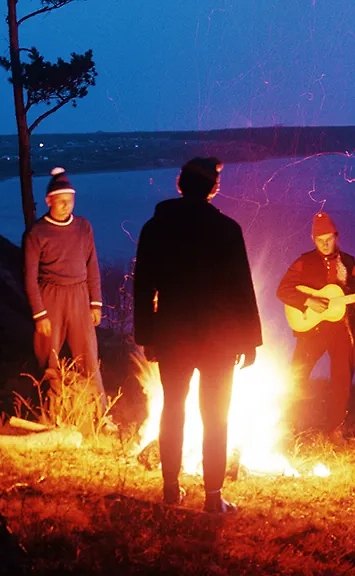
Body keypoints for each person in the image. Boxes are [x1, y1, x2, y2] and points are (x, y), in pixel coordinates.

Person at [133, 157, 263, 512]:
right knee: (215, 416)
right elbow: (241, 287)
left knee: (173, 409)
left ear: (180, 184)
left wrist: (147, 334)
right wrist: (250, 339)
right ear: (213, 188)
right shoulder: (226, 229)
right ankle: (212, 498)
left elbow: (143, 285)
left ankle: (171, 490)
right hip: (218, 336)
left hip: (173, 332)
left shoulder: (155, 227)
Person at [22, 167, 114, 432]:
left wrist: (95, 301)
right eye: (60, 200)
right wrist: (39, 314)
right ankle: (47, 412)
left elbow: (92, 264)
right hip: (50, 295)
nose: (66, 205)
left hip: (79, 294)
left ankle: (102, 415)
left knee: (88, 355)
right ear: (49, 200)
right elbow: (29, 277)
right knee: (46, 356)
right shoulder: (37, 233)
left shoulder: (83, 227)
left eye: (70, 200)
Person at [276, 212, 355, 439]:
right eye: (320, 239)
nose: (325, 243)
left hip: (343, 329)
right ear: (313, 239)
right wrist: (308, 300)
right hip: (313, 329)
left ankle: (335, 428)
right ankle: (287, 424)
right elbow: (282, 290)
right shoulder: (304, 261)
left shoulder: (349, 263)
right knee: (297, 375)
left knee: (342, 381)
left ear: (336, 237)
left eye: (329, 238)